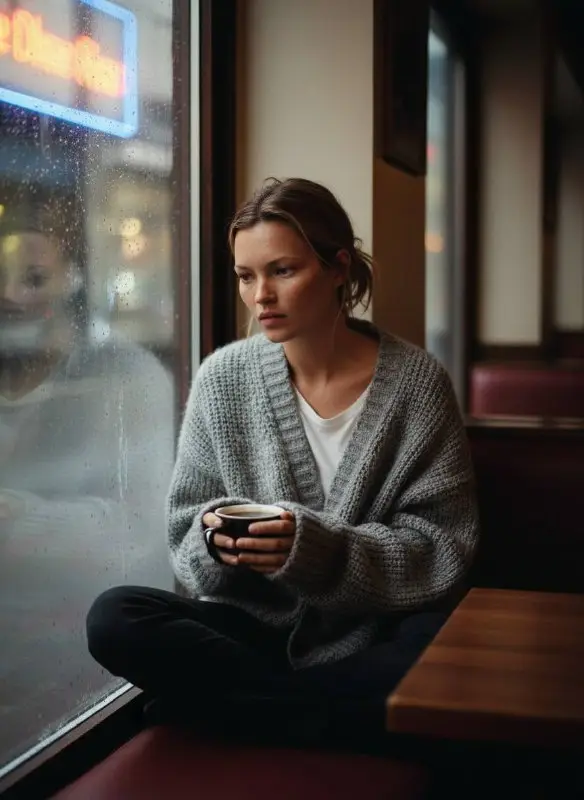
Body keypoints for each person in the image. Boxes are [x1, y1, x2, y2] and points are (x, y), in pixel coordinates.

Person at [87, 178, 479, 750]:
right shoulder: (223, 378)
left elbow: (443, 549)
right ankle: (324, 717)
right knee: (115, 616)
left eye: (283, 271)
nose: (260, 295)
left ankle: (241, 709)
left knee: (443, 642)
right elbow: (186, 539)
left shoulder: (418, 386)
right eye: (246, 276)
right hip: (253, 629)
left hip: (371, 630)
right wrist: (220, 537)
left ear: (339, 268)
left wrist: (315, 549)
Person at [0, 220, 174, 754]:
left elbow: (141, 535)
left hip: (79, 670)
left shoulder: (129, 380)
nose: (8, 296)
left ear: (75, 281)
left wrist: (15, 519)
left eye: (33, 278)